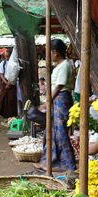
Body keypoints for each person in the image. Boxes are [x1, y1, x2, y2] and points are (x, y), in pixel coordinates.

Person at [34, 39, 76, 171]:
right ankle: (49, 161)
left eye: (49, 53)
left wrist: (47, 102)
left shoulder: (65, 66)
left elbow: (59, 86)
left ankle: (68, 164)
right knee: (51, 130)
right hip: (56, 100)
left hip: (61, 100)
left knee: (60, 132)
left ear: (55, 53)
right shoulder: (60, 66)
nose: (47, 56)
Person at [0, 49, 18, 120]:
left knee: (11, 100)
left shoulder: (15, 63)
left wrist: (10, 82)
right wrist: (5, 82)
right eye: (6, 56)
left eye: (8, 56)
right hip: (4, 83)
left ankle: (10, 116)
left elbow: (16, 74)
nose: (7, 58)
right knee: (0, 99)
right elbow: (1, 74)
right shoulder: (3, 63)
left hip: (12, 83)